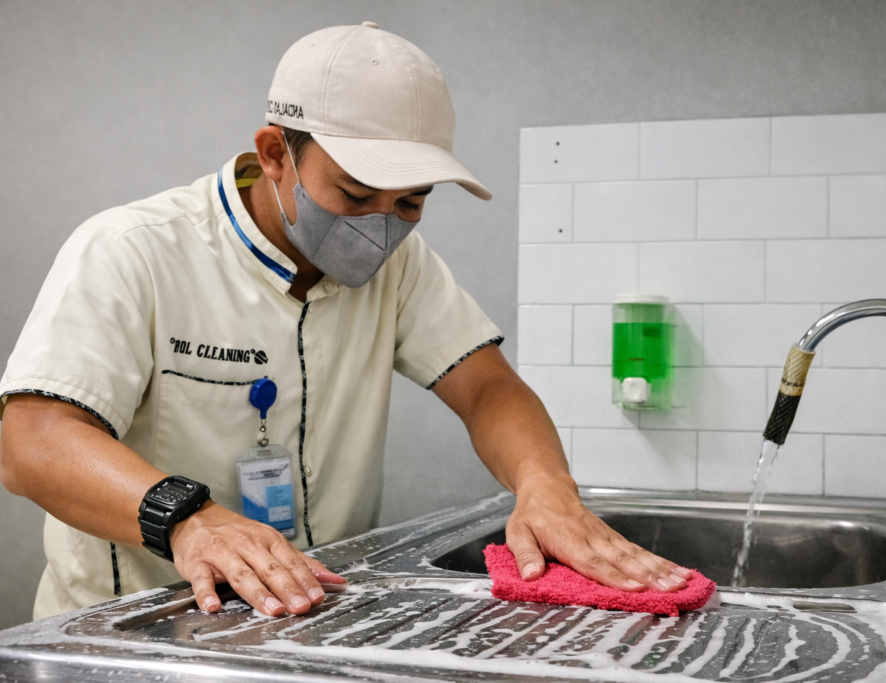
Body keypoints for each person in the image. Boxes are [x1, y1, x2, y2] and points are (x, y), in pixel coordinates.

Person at [0, 23, 691, 621]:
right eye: (355, 193)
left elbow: (488, 389)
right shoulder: (134, 250)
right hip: (136, 628)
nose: (380, 228)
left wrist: (544, 484)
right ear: (275, 154)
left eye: (411, 202)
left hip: (306, 618)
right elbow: (29, 440)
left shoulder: (402, 265)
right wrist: (189, 518)